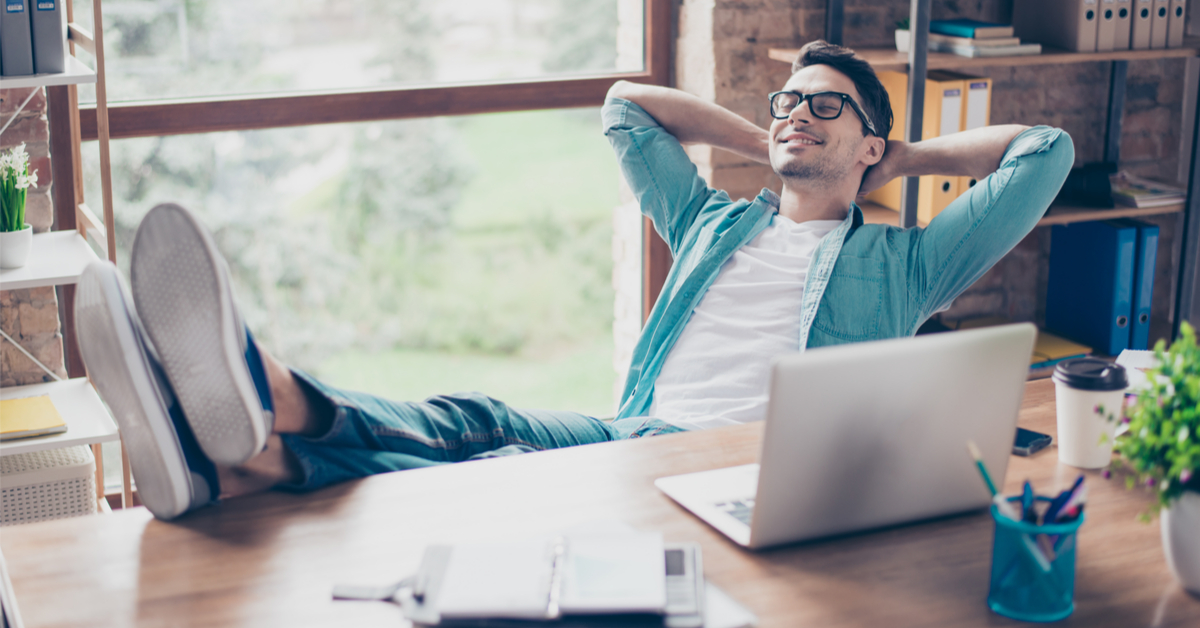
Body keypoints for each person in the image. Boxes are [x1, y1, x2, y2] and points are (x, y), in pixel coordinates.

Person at [76, 41, 1073, 520]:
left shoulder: (906, 262)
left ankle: (261, 394)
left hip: (731, 468)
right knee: (478, 434)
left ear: (872, 144)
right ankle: (241, 463)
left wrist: (892, 162)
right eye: (786, 100)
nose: (795, 114)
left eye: (825, 106)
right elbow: (625, 106)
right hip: (637, 431)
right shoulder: (715, 222)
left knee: (490, 445)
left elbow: (1046, 151)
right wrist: (772, 139)